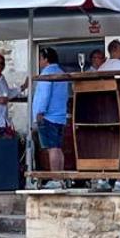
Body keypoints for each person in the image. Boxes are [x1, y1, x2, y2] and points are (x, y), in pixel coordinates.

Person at [32, 47, 69, 183]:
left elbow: (44, 95)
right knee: (58, 148)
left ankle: (55, 178)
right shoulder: (62, 73)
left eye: (41, 58)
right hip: (60, 116)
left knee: (52, 148)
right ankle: (60, 178)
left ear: (46, 59)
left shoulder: (47, 74)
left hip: (48, 116)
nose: (40, 61)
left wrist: (39, 111)